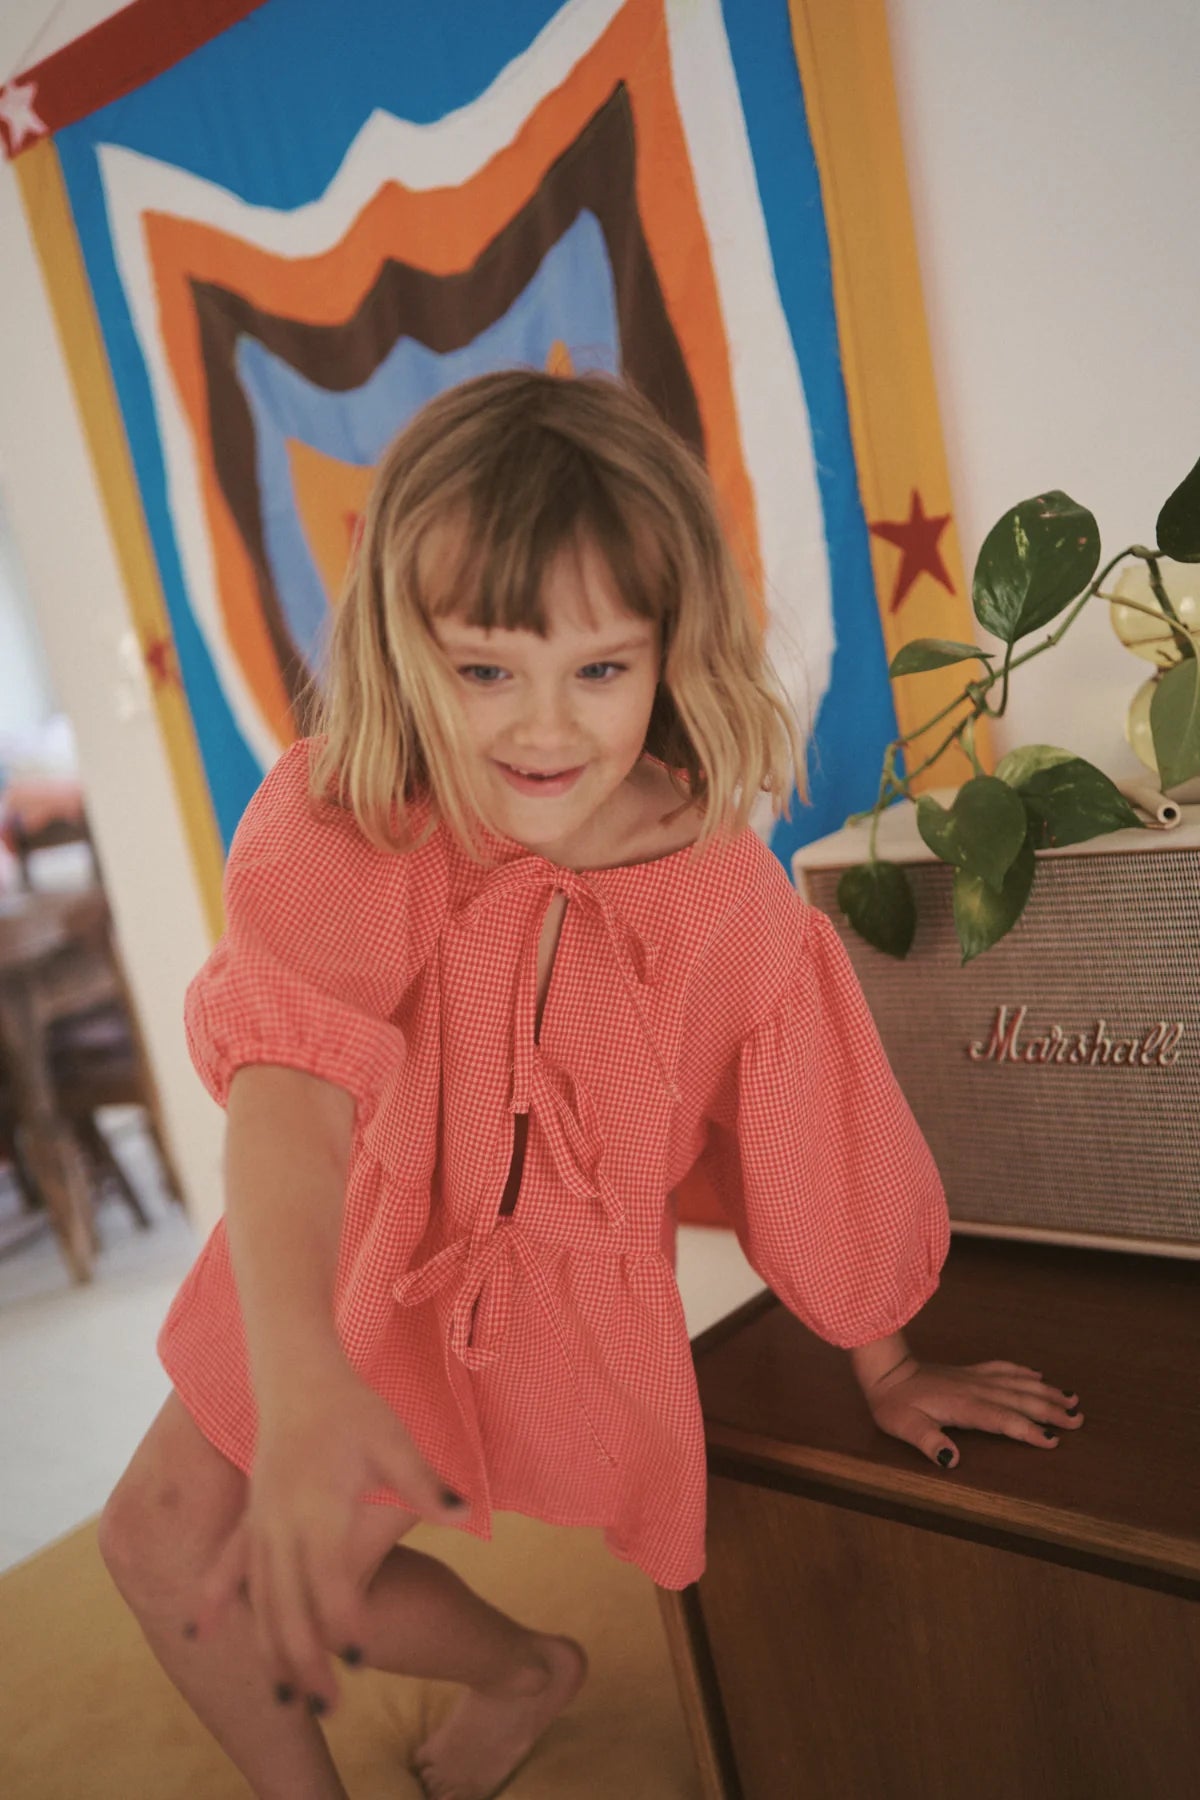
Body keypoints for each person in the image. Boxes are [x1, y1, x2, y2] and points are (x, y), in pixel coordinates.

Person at [99, 370, 1084, 1800]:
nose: (540, 729)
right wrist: (302, 1375)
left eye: (598, 671)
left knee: (296, 1572)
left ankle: (518, 1672)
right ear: (402, 646)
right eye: (486, 669)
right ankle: (497, 1684)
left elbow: (811, 1135)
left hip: (540, 1311)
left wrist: (887, 1356)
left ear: (668, 654)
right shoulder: (357, 825)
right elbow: (289, 1088)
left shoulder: (722, 902)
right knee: (166, 1549)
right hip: (338, 1263)